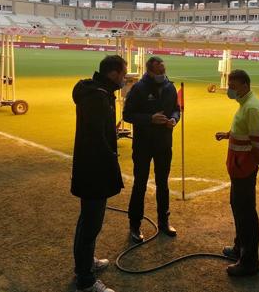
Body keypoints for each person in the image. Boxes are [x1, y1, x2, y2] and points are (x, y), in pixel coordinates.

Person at [71, 55, 128, 292]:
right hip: (94, 170)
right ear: (113, 74)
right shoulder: (98, 97)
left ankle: (86, 262)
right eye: (123, 74)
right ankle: (85, 279)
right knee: (90, 224)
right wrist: (111, 160)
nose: (125, 79)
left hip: (90, 167)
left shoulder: (96, 92)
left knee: (88, 221)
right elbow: (97, 138)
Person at [215, 69, 259, 277]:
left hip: (244, 169)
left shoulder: (252, 107)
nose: (229, 90)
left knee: (246, 214)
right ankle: (239, 248)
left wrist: (248, 163)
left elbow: (258, 143)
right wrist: (228, 135)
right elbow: (243, 131)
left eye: (232, 86)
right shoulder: (245, 104)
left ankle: (249, 261)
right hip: (238, 168)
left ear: (244, 85)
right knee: (238, 209)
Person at [124, 56, 180, 243]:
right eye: (158, 70)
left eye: (163, 69)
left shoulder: (170, 87)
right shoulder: (139, 88)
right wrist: (149, 119)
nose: (161, 73)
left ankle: (164, 222)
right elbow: (127, 115)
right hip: (143, 145)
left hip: (164, 144)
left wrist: (174, 119)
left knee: (163, 183)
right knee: (140, 183)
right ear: (149, 70)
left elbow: (176, 109)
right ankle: (135, 225)